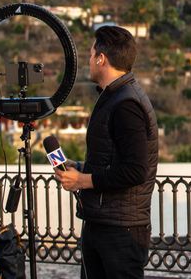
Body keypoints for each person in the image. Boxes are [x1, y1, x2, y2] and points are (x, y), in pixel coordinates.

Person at [55, 25, 159, 279]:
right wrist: (80, 167)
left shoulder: (126, 104)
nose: (89, 61)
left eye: (91, 55)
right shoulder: (114, 97)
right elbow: (112, 159)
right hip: (105, 222)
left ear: (101, 59)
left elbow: (135, 170)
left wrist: (83, 180)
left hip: (120, 230)